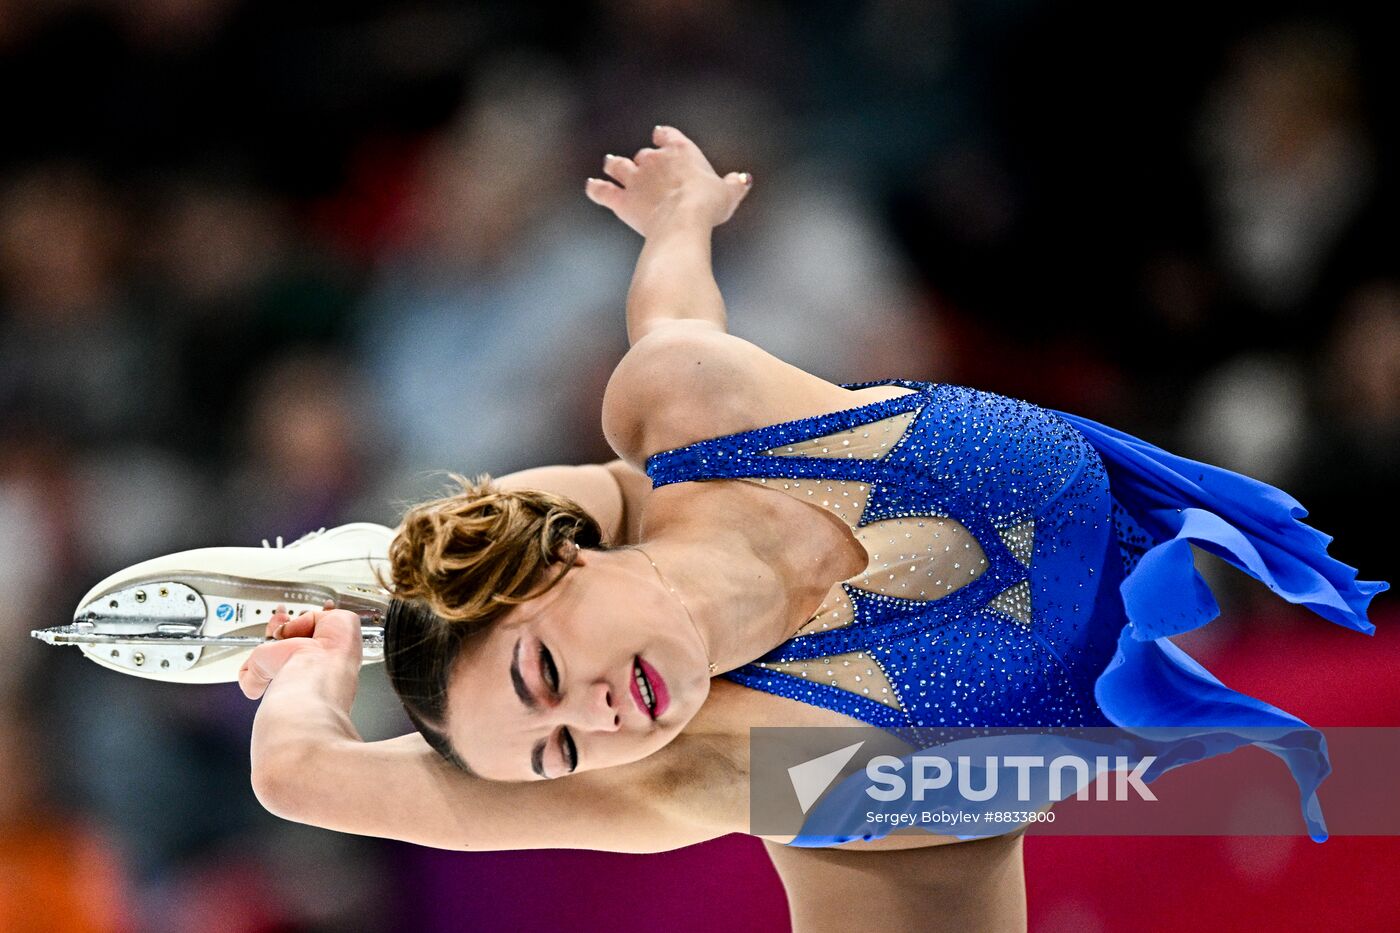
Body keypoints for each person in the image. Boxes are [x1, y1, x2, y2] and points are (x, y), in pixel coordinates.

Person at [125, 126, 1387, 931]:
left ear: (556, 557)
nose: (599, 725)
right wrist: (311, 678)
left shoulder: (687, 408)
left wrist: (677, 222)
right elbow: (297, 776)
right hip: (938, 800)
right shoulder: (707, 768)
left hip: (1214, 511)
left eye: (546, 680)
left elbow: (677, 320)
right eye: (558, 753)